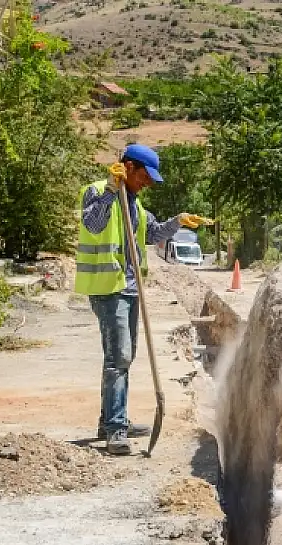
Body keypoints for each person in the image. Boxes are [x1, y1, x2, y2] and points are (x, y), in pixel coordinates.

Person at [75, 144, 208, 455]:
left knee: (125, 356)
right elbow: (92, 224)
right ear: (129, 167)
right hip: (108, 288)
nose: (147, 184)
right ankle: (115, 429)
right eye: (145, 177)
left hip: (131, 289)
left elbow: (152, 234)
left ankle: (112, 418)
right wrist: (110, 191)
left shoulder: (134, 205)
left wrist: (178, 221)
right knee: (118, 357)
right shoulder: (96, 192)